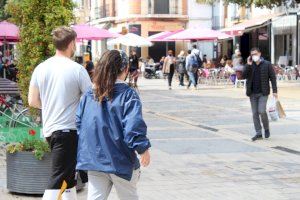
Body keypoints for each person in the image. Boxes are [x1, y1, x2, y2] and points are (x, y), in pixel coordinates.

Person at [76, 50, 151, 200]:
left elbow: (80, 124)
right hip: (120, 160)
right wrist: (142, 149)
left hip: (94, 159)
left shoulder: (89, 95)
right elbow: (133, 126)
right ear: (124, 70)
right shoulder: (128, 94)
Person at [28, 26, 92, 200]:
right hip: (68, 131)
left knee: (68, 178)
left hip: (50, 130)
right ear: (71, 43)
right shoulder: (77, 69)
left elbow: (32, 100)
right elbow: (90, 101)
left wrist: (51, 106)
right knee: (58, 179)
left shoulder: (41, 68)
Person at [242, 47, 277, 141]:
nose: (254, 56)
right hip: (252, 93)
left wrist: (275, 91)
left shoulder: (267, 64)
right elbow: (243, 75)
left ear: (260, 54)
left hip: (263, 92)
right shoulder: (250, 65)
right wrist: (248, 65)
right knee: (254, 113)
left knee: (261, 111)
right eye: (252, 54)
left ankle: (266, 128)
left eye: (255, 54)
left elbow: (273, 78)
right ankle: (258, 133)